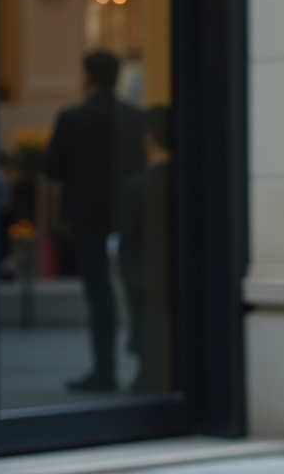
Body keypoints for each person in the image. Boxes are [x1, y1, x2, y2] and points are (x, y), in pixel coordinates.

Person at [43, 51, 144, 392]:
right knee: (136, 286)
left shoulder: (73, 118)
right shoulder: (134, 117)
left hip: (87, 214)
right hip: (130, 212)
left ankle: (105, 369)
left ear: (87, 76)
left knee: (98, 291)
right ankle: (146, 366)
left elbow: (52, 167)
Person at [118, 106, 173, 393]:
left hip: (143, 276)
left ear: (148, 137)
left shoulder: (137, 186)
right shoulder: (189, 183)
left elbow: (127, 238)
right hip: (174, 274)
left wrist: (126, 272)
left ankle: (148, 377)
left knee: (147, 328)